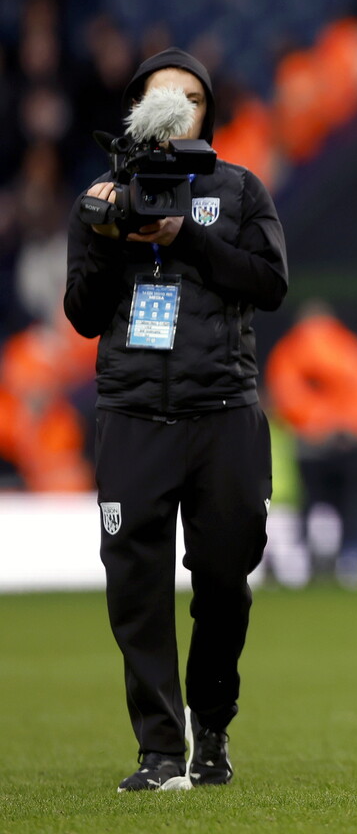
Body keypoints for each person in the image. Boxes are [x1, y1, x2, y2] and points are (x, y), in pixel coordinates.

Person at [63, 47, 287, 792]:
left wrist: (184, 238)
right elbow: (83, 315)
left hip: (222, 411)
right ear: (135, 109)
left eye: (192, 96)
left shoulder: (240, 188)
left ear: (208, 113)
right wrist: (104, 240)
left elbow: (270, 283)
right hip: (132, 412)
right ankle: (160, 750)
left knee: (225, 578)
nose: (178, 106)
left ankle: (212, 726)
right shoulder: (102, 197)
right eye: (163, 95)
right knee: (135, 587)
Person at [265, 300, 357, 587]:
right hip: (351, 441)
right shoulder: (355, 348)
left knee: (311, 502)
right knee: (350, 503)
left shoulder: (292, 348)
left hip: (313, 442)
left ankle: (307, 561)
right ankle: (350, 560)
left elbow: (285, 391)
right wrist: (351, 428)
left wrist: (319, 425)